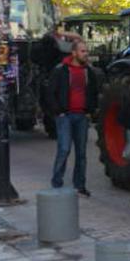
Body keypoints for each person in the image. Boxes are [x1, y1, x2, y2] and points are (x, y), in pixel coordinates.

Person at [47, 40, 98, 197]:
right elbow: (50, 92)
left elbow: (94, 92)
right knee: (64, 149)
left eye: (86, 51)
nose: (86, 54)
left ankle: (80, 185)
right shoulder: (61, 70)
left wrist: (90, 111)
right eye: (83, 51)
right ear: (74, 53)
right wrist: (58, 111)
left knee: (81, 153)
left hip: (82, 116)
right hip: (65, 116)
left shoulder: (88, 71)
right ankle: (56, 183)